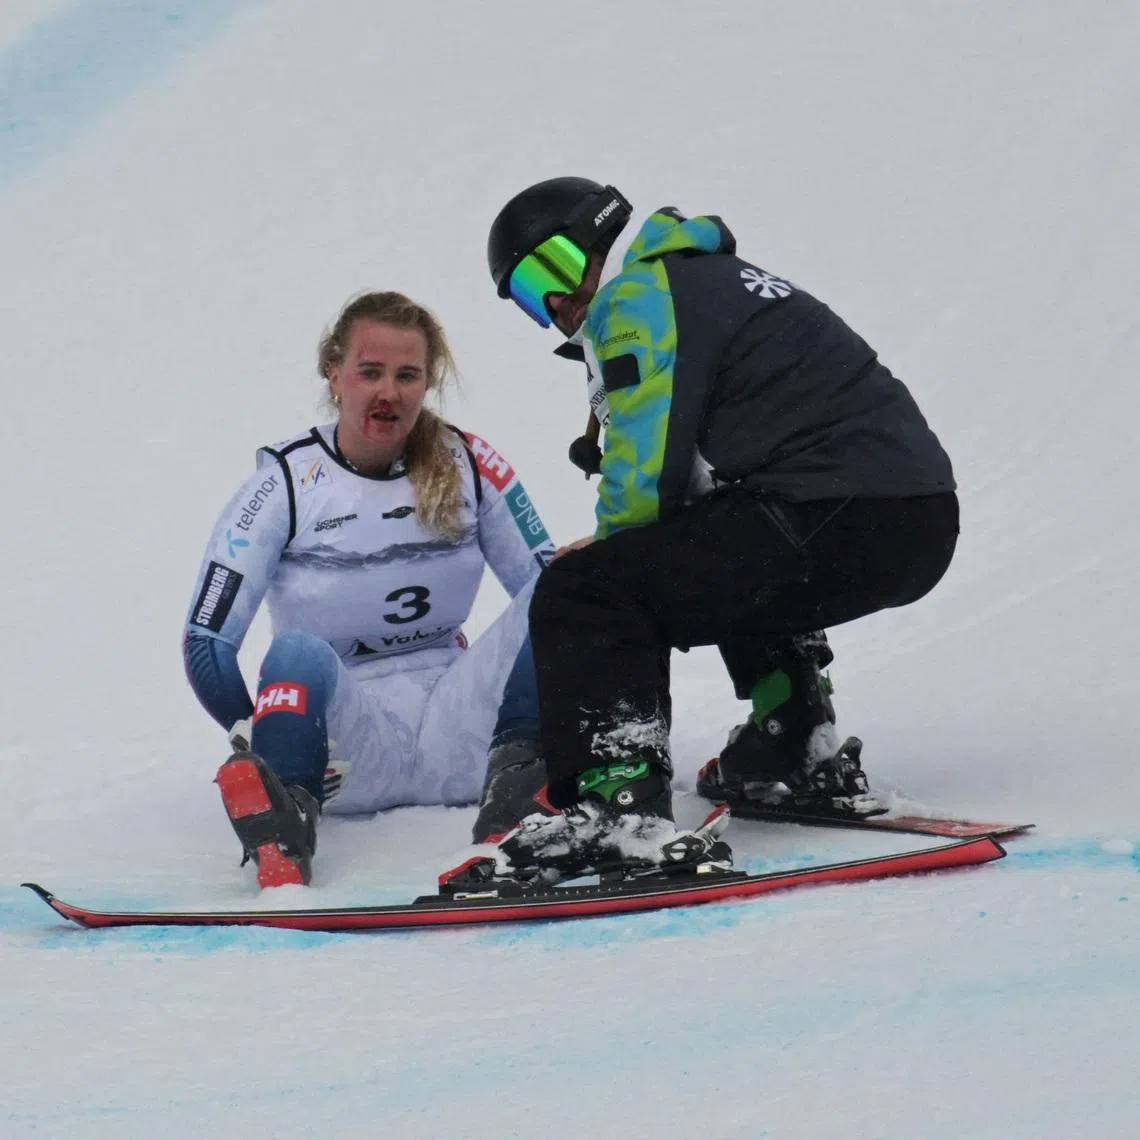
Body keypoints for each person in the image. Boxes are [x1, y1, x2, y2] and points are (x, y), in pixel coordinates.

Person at [484, 177, 958, 873]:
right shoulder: (709, 277)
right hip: (916, 521)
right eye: (529, 295)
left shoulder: (637, 294)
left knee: (584, 592)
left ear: (599, 235)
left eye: (549, 269)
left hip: (830, 509)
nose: (554, 302)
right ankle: (790, 738)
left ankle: (617, 807)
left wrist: (607, 554)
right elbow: (696, 483)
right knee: (720, 535)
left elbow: (649, 464)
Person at [182, 290, 556, 888]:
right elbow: (206, 639)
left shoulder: (470, 461)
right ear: (335, 374)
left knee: (571, 588)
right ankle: (286, 821)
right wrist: (248, 727)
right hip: (345, 757)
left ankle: (523, 790)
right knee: (297, 651)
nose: (389, 392)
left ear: (427, 382)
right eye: (370, 372)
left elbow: (551, 593)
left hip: (464, 738)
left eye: (407, 376)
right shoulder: (286, 480)